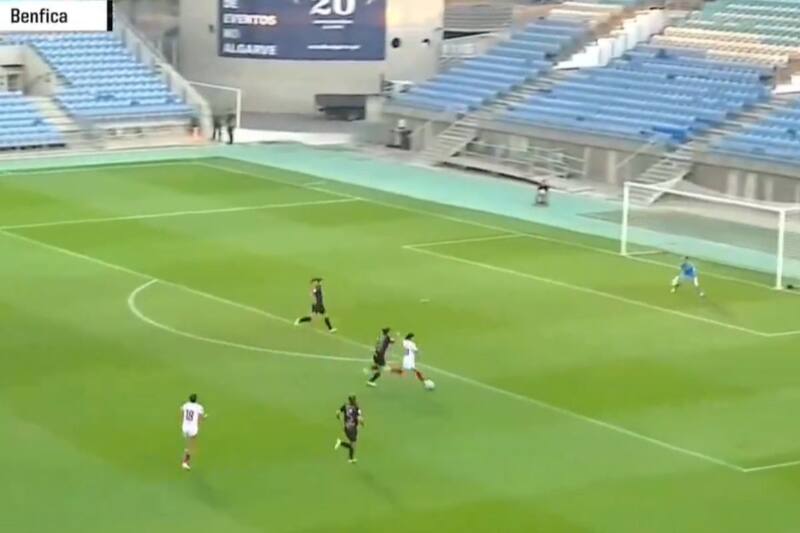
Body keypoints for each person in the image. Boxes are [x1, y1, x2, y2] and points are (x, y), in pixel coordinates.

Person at [180, 393, 206, 470]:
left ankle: (185, 458)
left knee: (188, 443)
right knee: (192, 446)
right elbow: (200, 418)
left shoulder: (185, 405)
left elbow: (182, 413)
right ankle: (185, 462)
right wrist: (203, 419)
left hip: (184, 427)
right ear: (196, 399)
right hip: (192, 428)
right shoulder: (199, 407)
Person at [334, 395, 363, 463]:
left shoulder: (345, 405)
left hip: (347, 427)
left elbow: (337, 412)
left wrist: (338, 417)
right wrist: (362, 423)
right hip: (352, 428)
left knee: (352, 443)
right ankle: (340, 443)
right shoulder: (356, 407)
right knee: (353, 444)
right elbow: (360, 418)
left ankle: (350, 458)